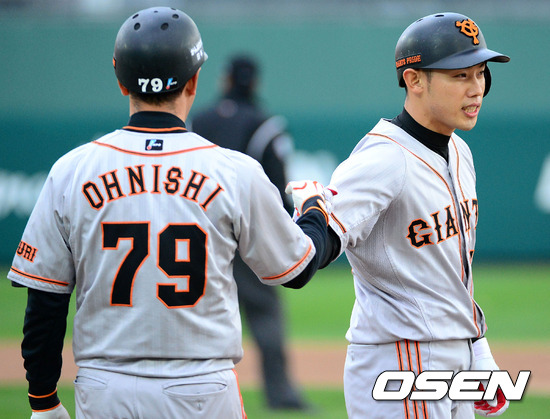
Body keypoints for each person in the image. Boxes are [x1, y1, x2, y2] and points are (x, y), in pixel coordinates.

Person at [6, 7, 333, 419]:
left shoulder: (72, 170)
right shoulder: (235, 171)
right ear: (193, 80)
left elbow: (45, 301)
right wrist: (314, 210)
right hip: (202, 389)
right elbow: (297, 269)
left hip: (104, 388)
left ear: (120, 79)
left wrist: (43, 402)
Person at [287, 12, 511, 418]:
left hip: (450, 353)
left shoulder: (459, 151)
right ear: (414, 80)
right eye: (460, 75)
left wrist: (477, 347)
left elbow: (452, 273)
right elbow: (311, 249)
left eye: (480, 73)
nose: (476, 88)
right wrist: (311, 211)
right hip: (400, 360)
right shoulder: (384, 158)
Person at [191, 55, 311, 411]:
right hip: (246, 235)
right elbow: (278, 182)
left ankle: (195, 390)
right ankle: (280, 394)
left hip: (197, 237)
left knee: (196, 317)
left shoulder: (198, 121)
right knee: (265, 315)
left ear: (225, 80)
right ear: (255, 83)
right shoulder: (265, 123)